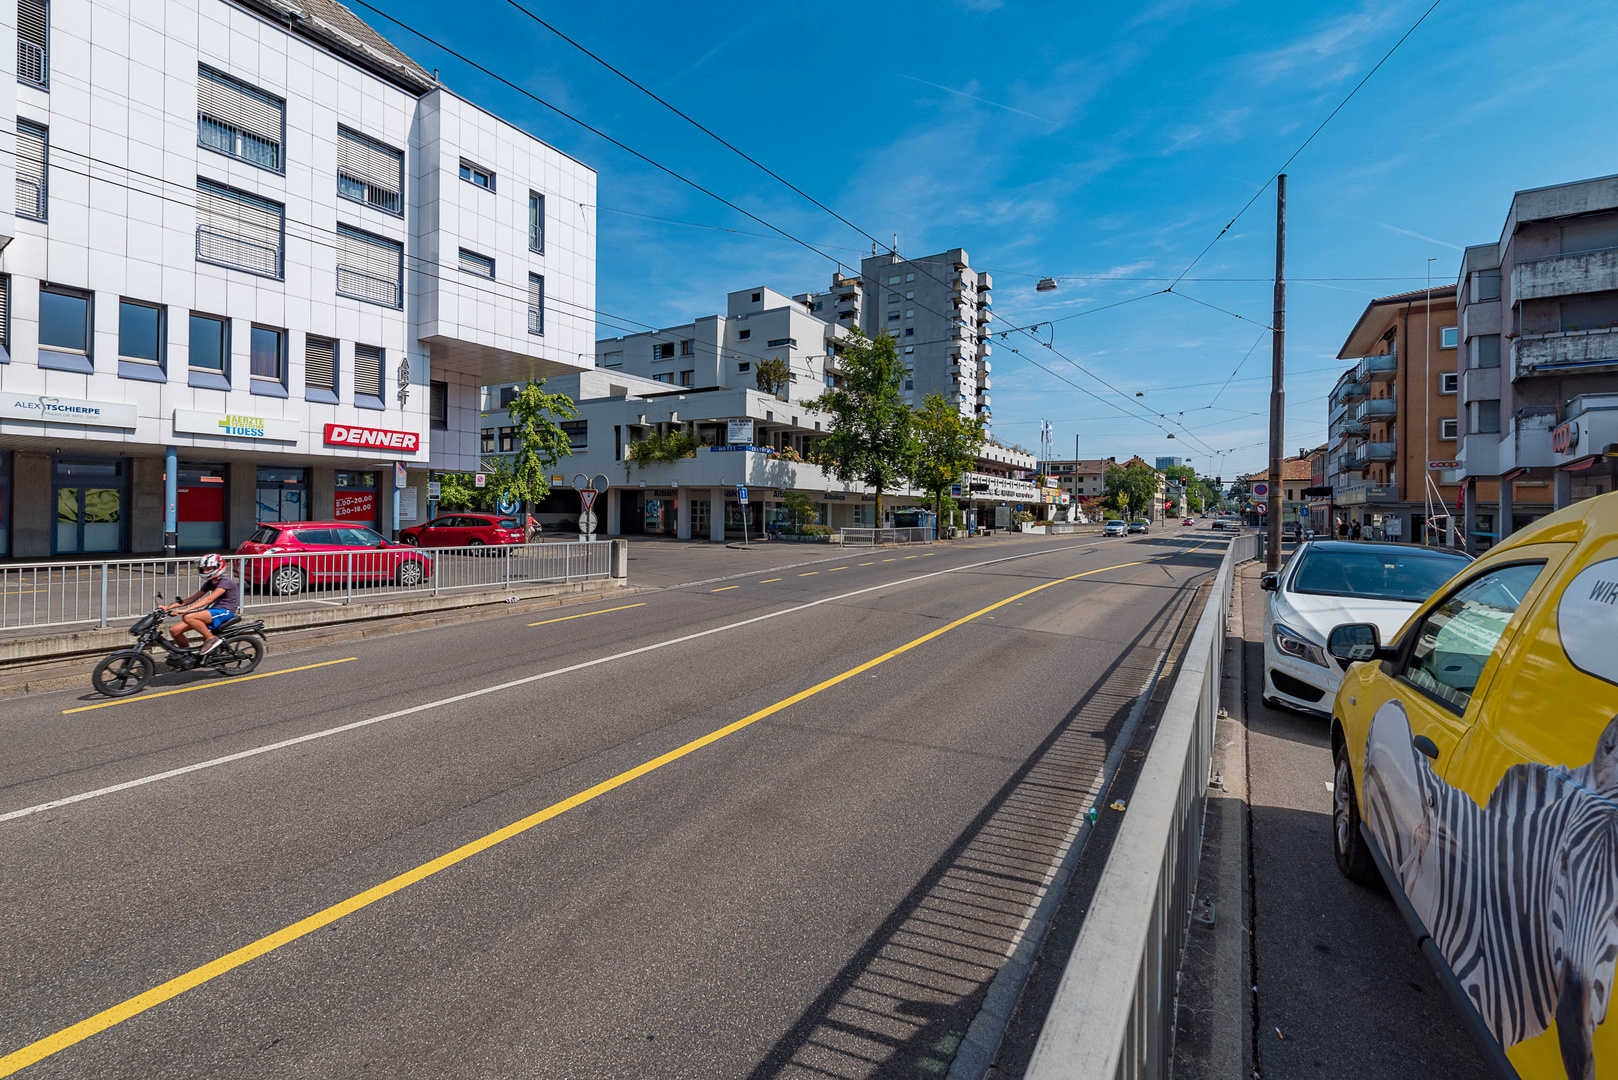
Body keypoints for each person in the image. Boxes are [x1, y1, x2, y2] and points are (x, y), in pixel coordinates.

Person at [165, 553, 240, 656]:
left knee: (188, 617)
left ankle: (211, 639)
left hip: (225, 612)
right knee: (175, 630)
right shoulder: (210, 583)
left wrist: (185, 610)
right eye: (203, 569)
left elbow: (209, 599)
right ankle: (186, 655)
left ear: (218, 567)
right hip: (213, 611)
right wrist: (167, 607)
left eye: (209, 568)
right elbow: (192, 598)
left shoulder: (225, 582)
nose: (205, 571)